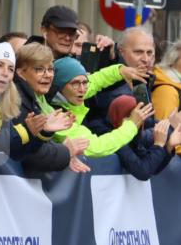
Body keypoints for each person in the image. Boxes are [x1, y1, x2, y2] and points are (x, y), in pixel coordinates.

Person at [48, 57, 148, 158]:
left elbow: (97, 80)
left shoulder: (69, 93)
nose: (82, 89)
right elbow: (96, 147)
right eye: (75, 83)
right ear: (59, 86)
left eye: (84, 82)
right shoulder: (56, 117)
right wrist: (132, 125)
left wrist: (120, 70)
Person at [13, 42, 88, 172]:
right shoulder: (16, 101)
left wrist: (63, 151)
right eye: (40, 69)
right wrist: (66, 151)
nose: (48, 75)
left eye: (51, 69)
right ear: (20, 73)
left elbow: (35, 145)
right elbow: (30, 156)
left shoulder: (33, 98)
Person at [86, 27, 155, 134]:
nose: (146, 59)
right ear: (121, 52)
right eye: (138, 52)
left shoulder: (143, 78)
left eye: (149, 53)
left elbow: (147, 123)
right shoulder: (109, 78)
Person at [108, 95, 181, 180]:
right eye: (132, 116)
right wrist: (158, 144)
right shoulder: (116, 140)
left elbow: (153, 168)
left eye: (141, 115)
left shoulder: (134, 137)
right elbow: (143, 171)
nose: (139, 119)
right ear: (120, 119)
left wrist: (169, 146)